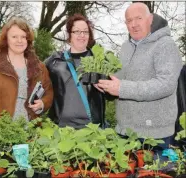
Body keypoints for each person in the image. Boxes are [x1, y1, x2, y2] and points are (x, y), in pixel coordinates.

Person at [97, 3, 183, 151]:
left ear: (150, 19)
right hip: (124, 131)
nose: (134, 24)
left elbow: (165, 84)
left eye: (138, 18)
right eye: (129, 21)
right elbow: (120, 79)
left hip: (155, 135)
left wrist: (122, 88)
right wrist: (105, 85)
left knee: (154, 173)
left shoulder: (165, 45)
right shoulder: (125, 47)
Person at [0, 17, 54, 135]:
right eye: (14, 37)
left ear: (28, 40)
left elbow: (48, 92)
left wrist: (42, 103)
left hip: (29, 135)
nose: (19, 40)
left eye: (23, 37)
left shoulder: (39, 67)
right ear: (6, 39)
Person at [45, 13, 106, 129]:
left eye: (85, 31)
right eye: (77, 31)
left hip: (92, 131)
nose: (82, 35)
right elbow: (38, 82)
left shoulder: (99, 61)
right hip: (60, 129)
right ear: (69, 35)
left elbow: (111, 95)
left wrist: (107, 86)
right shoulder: (55, 60)